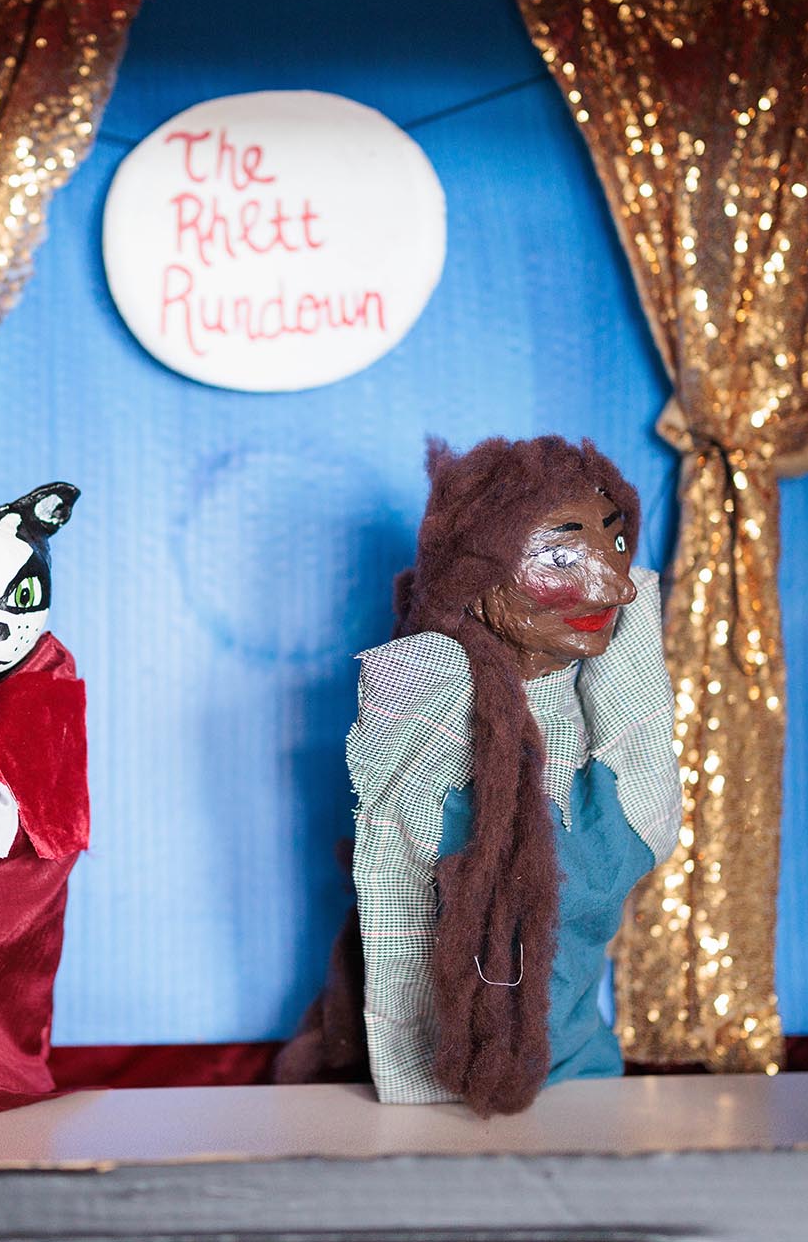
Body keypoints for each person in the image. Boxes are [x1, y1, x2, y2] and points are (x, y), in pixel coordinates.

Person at [279, 437, 680, 1115]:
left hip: (574, 1085)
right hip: (411, 1093)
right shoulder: (426, 723)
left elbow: (624, 841)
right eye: (559, 555)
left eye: (616, 545)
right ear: (479, 573)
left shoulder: (603, 766)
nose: (611, 584)